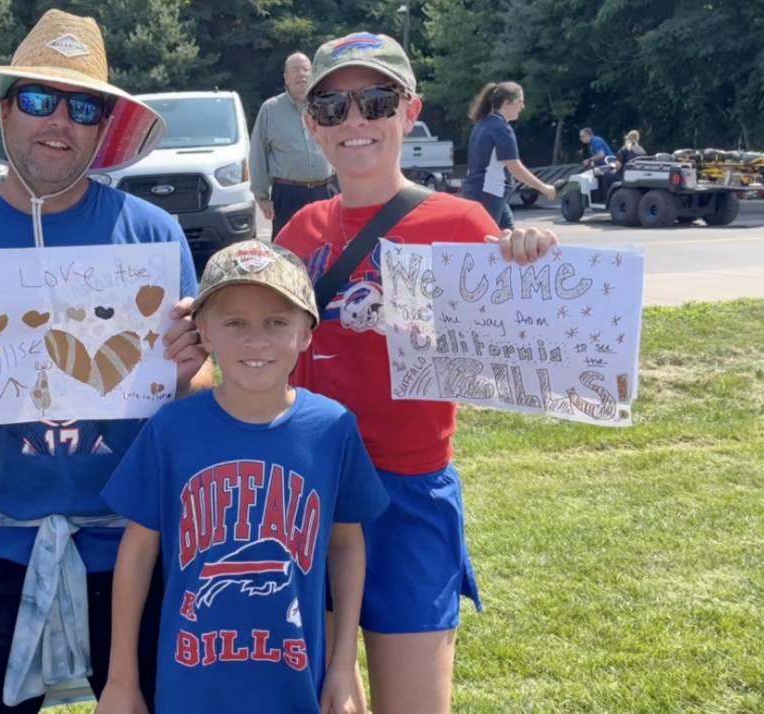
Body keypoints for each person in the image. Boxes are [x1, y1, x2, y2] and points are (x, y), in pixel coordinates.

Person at [0, 9, 214, 714]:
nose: (60, 120)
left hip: (131, 541)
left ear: (103, 128)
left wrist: (189, 370)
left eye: (84, 106)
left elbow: (194, 389)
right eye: (38, 98)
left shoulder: (151, 236)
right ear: (5, 111)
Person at [274, 32, 558, 713]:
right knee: (322, 701)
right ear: (312, 124)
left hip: (408, 492)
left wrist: (531, 262)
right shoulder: (298, 234)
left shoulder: (462, 224)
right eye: (333, 107)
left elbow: (531, 341)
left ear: (410, 110)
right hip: (310, 491)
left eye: (376, 101)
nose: (355, 120)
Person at [96, 239, 389, 714]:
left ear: (307, 333)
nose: (256, 340)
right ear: (205, 332)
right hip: (192, 687)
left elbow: (346, 545)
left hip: (295, 683)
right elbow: (138, 552)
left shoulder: (332, 428)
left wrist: (344, 662)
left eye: (277, 322)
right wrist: (121, 680)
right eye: (235, 322)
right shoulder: (171, 429)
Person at [250, 51, 337, 239]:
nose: (302, 74)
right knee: (288, 248)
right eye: (296, 70)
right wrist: (262, 197)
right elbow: (258, 154)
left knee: (330, 246)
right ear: (286, 77)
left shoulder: (327, 105)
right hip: (288, 195)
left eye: (306, 70)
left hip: (325, 191)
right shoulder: (270, 110)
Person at [460, 81, 557, 230]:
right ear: (506, 103)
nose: (522, 106)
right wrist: (543, 188)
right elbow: (514, 167)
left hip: (482, 191)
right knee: (487, 240)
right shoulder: (502, 129)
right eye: (520, 102)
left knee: (508, 236)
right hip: (490, 193)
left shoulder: (482, 124)